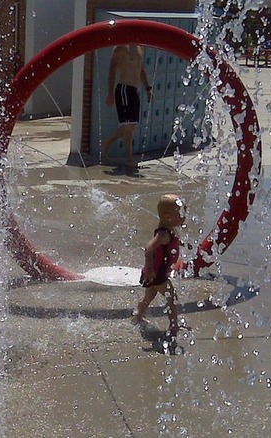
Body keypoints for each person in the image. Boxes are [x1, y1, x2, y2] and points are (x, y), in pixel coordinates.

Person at [132, 194, 186, 338]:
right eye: (181, 214)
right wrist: (150, 268)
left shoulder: (169, 230)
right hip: (157, 274)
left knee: (149, 296)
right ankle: (173, 326)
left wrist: (182, 244)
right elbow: (149, 248)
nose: (184, 217)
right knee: (171, 297)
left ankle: (138, 315)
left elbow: (172, 242)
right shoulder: (163, 234)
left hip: (154, 273)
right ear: (168, 217)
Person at [101, 45, 154, 172]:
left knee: (132, 125)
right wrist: (110, 93)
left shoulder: (139, 48)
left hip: (134, 90)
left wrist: (148, 88)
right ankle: (124, 155)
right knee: (128, 125)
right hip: (124, 89)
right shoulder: (121, 48)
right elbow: (112, 70)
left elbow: (141, 70)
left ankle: (123, 155)